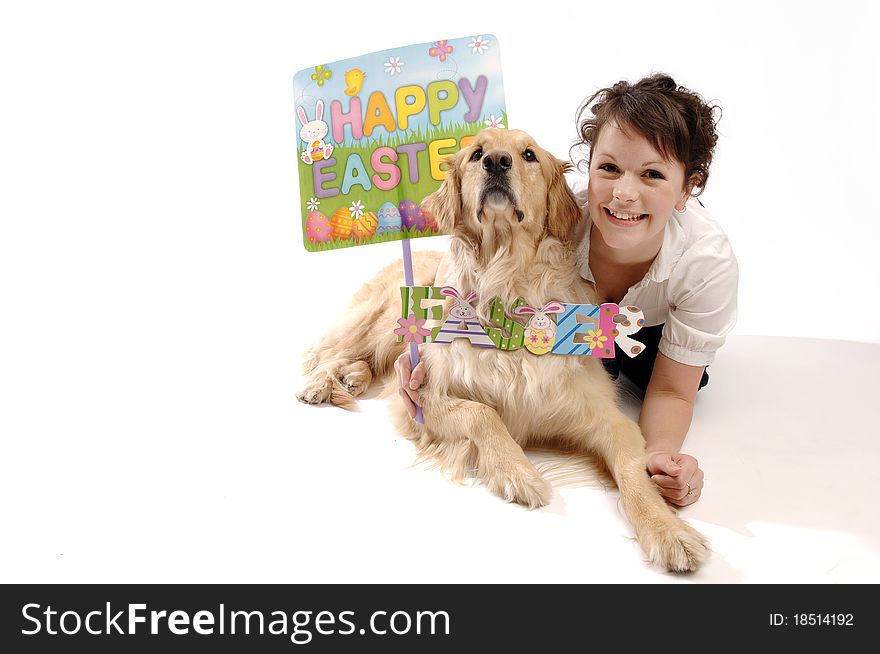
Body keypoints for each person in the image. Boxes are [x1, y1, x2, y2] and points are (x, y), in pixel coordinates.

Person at [395, 73, 738, 507]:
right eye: (609, 168)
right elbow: (466, 252)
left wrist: (658, 457)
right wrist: (428, 346)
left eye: (652, 174)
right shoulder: (557, 209)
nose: (623, 194)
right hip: (562, 321)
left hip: (648, 338)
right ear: (589, 166)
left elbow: (672, 390)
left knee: (630, 380)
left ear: (689, 187)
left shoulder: (706, 264)